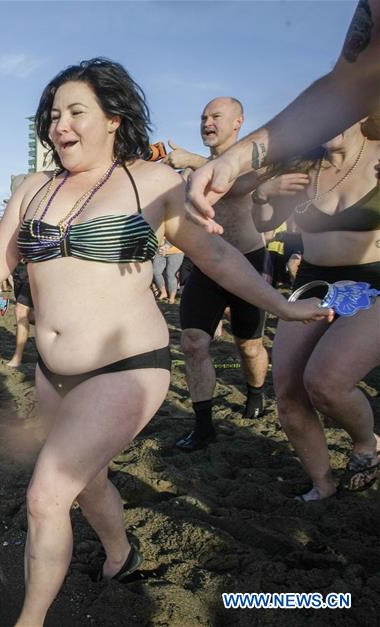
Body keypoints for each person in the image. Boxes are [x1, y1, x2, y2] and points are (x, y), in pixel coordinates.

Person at [0, 58, 331, 626]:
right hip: (52, 371)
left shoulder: (153, 182)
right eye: (53, 114)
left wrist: (284, 306)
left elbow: (216, 256)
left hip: (127, 366)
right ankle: (121, 553)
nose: (60, 124)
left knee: (46, 497)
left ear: (113, 118)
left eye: (76, 112)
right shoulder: (34, 189)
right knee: (87, 482)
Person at [251, 119, 380, 500]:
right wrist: (263, 194)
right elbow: (265, 223)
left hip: (373, 283)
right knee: (289, 394)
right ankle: (322, 485)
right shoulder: (304, 168)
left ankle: (365, 443)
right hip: (314, 283)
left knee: (326, 384)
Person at [187, 0, 380, 231]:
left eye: (215, 117)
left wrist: (192, 160)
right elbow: (345, 87)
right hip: (309, 267)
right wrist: (234, 163)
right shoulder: (304, 166)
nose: (331, 126)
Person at [169, 98, 272, 451]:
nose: (207, 122)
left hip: (248, 261)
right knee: (194, 342)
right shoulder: (192, 171)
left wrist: (192, 162)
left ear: (238, 122)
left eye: (215, 116)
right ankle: (203, 425)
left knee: (248, 346)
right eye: (202, 117)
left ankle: (255, 393)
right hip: (206, 263)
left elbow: (240, 185)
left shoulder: (250, 156)